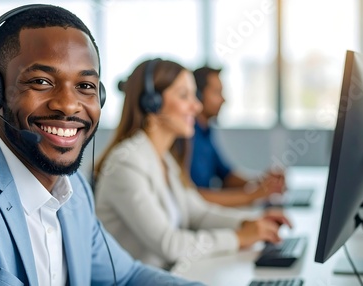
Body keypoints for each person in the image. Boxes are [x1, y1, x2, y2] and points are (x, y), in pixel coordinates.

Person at [0, 5, 204, 286]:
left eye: (85, 86)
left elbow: (127, 276)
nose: (68, 105)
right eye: (41, 81)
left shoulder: (73, 191)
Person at [94, 58, 292, 270]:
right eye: (184, 95)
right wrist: (238, 237)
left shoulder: (164, 159)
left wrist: (250, 221)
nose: (196, 106)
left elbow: (199, 213)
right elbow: (170, 244)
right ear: (152, 103)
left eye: (195, 95)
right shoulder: (126, 163)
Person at [189, 66, 286, 207]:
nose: (223, 100)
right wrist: (254, 195)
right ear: (198, 96)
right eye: (217, 93)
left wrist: (261, 181)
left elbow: (226, 176)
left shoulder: (206, 131)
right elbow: (192, 198)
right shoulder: (186, 137)